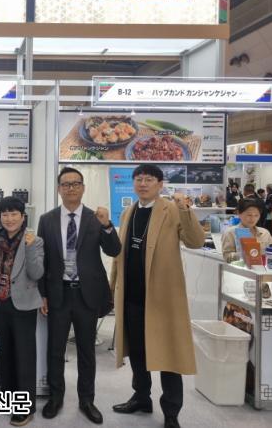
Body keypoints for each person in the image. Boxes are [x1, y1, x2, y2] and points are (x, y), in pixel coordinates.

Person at [110, 164, 205, 428]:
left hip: (162, 299)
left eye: (149, 179)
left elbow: (196, 241)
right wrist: (112, 287)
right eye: (139, 179)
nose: (143, 184)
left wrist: (185, 209)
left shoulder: (172, 210)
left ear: (160, 184)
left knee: (168, 355)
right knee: (137, 352)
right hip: (132, 296)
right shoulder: (128, 212)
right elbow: (119, 256)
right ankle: (141, 397)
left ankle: (171, 412)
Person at [38, 167, 121, 425]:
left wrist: (107, 225)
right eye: (65, 184)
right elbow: (43, 260)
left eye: (75, 183)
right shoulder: (47, 220)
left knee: (86, 351)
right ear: (59, 189)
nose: (71, 188)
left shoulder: (96, 218)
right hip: (58, 294)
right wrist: (43, 294)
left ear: (83, 188)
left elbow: (114, 250)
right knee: (55, 350)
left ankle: (87, 400)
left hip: (87, 295)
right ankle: (56, 397)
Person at [0, 196, 44, 426]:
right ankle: (8, 398)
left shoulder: (35, 240)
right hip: (0, 304)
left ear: (23, 217)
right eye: (5, 214)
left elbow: (37, 273)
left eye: (14, 214)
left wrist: (30, 247)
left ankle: (25, 407)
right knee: (5, 354)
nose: (9, 219)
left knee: (24, 356)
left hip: (24, 305)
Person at [221, 198, 272, 262]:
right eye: (249, 215)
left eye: (256, 215)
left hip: (263, 267)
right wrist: (242, 255)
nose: (252, 218)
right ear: (239, 213)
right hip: (241, 267)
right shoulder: (230, 232)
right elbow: (226, 256)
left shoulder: (265, 232)